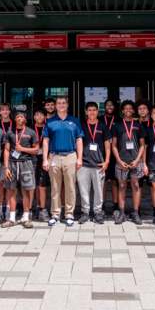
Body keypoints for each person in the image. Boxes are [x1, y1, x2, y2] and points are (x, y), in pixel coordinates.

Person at [42, 95, 83, 227]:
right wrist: (45, 159)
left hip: (71, 156)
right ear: (56, 105)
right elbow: (46, 141)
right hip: (54, 156)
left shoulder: (74, 121)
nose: (61, 105)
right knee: (55, 187)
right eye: (59, 103)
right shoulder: (50, 122)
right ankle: (55, 214)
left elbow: (79, 140)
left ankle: (69, 214)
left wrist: (80, 158)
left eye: (63, 103)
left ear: (67, 105)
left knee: (70, 187)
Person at [2, 110, 39, 228]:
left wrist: (22, 149)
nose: (19, 119)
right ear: (14, 119)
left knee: (26, 191)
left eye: (21, 117)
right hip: (12, 164)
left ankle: (26, 217)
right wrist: (6, 167)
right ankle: (12, 218)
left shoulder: (31, 132)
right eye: (17, 117)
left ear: (25, 119)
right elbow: (7, 150)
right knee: (11, 191)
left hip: (26, 163)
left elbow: (36, 150)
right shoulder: (10, 133)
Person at [111, 100, 146, 225]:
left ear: (133, 110)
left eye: (130, 108)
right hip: (122, 161)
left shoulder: (138, 125)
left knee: (136, 185)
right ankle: (122, 212)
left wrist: (138, 160)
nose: (128, 110)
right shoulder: (117, 126)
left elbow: (142, 145)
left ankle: (135, 213)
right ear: (122, 111)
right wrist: (119, 161)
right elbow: (113, 145)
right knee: (121, 186)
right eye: (126, 108)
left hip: (136, 161)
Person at [78, 102, 110, 224]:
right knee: (84, 190)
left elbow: (107, 145)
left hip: (98, 164)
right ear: (86, 112)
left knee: (98, 190)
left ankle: (98, 212)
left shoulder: (103, 126)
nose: (92, 112)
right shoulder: (81, 126)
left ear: (97, 112)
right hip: (84, 164)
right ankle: (85, 212)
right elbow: (78, 143)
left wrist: (106, 161)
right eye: (89, 110)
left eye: (94, 110)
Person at [102, 99, 119, 217]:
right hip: (102, 154)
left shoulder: (118, 120)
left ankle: (116, 206)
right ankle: (101, 206)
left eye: (111, 105)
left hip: (115, 154)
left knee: (114, 181)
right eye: (108, 105)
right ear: (104, 107)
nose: (110, 106)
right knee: (102, 182)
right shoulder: (99, 119)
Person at [0, 103, 13, 221]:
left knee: (9, 184)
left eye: (7, 110)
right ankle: (0, 206)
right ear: (0, 112)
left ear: (9, 112)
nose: (5, 112)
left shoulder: (15, 123)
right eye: (3, 110)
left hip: (12, 157)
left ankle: (8, 207)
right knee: (0, 184)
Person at [33, 108, 50, 222]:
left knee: (42, 184)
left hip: (45, 158)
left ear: (45, 117)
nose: (39, 117)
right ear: (34, 117)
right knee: (34, 184)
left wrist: (48, 158)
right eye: (37, 114)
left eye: (41, 115)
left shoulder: (48, 128)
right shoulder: (29, 128)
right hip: (32, 159)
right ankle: (36, 207)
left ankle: (43, 208)